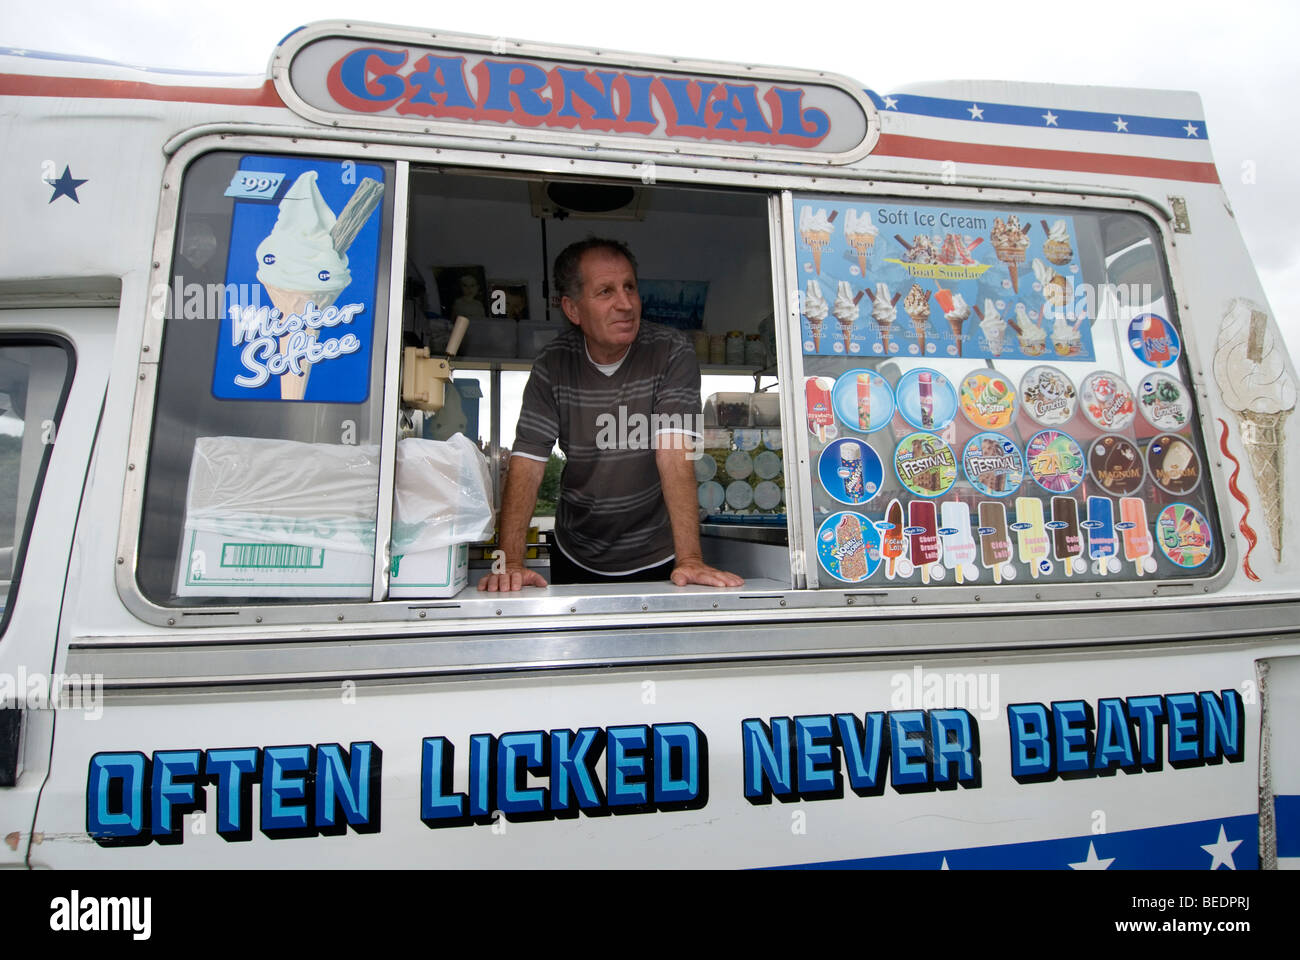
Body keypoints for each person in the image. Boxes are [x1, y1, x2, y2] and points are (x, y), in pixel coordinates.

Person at [478, 238, 743, 592]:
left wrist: (690, 559)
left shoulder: (671, 351)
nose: (626, 304)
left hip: (659, 556)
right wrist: (509, 562)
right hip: (576, 552)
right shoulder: (552, 364)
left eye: (630, 287)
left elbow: (674, 452)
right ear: (573, 311)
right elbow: (528, 460)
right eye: (606, 292)